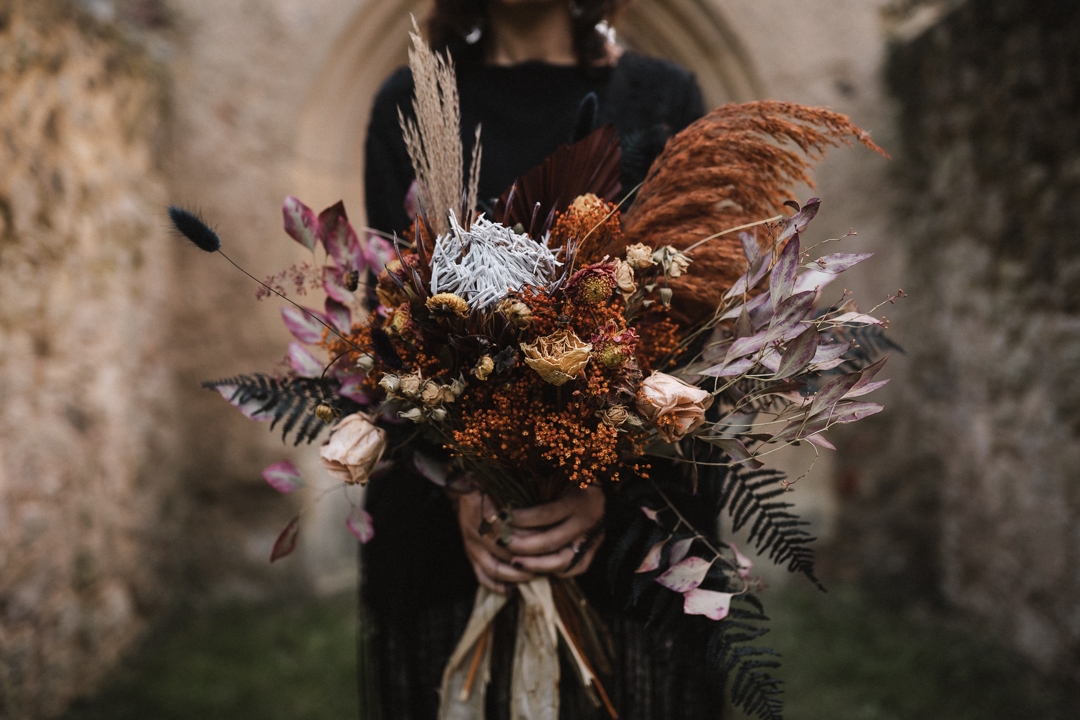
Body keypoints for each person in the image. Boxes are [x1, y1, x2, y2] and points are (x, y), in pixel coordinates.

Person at [362, 2, 721, 718]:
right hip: (451, 524)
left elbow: (692, 328)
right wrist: (469, 487)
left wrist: (596, 490)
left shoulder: (663, 96)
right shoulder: (410, 101)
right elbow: (389, 314)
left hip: (625, 510)